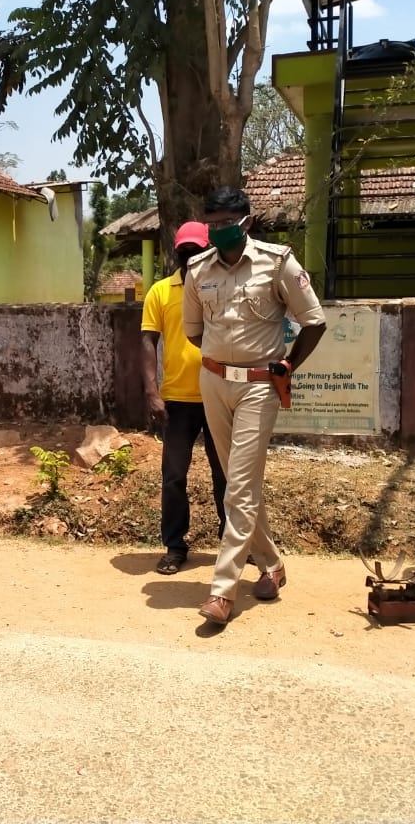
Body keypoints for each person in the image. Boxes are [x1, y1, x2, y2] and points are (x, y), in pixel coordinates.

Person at [183, 188, 326, 626]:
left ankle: (223, 590)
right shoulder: (197, 269)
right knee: (235, 481)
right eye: (212, 221)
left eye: (226, 220)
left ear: (245, 221)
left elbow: (314, 321)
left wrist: (288, 364)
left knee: (239, 487)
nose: (217, 229)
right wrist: (221, 361)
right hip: (213, 381)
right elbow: (193, 331)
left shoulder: (278, 261)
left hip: (260, 387)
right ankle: (272, 564)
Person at [141, 221, 227, 575]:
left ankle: (233, 545)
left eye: (197, 250)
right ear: (175, 252)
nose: (190, 256)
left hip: (220, 394)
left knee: (226, 475)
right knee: (174, 476)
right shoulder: (160, 292)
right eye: (184, 251)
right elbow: (148, 340)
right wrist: (151, 391)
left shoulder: (221, 288)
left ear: (209, 250)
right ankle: (175, 546)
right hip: (177, 399)